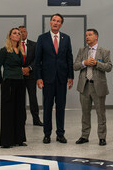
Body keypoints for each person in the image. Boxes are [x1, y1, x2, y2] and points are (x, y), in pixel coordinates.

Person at [35, 13, 74, 144]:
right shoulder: (42, 38)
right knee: (47, 107)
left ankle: (60, 134)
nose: (55, 23)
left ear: (61, 24)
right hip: (47, 79)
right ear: (50, 22)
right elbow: (37, 60)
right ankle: (47, 134)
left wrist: (71, 76)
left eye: (58, 21)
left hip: (62, 78)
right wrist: (38, 78)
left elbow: (69, 58)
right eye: (53, 20)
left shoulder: (66, 38)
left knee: (61, 107)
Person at [73, 29, 112, 146]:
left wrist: (96, 64)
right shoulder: (82, 50)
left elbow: (109, 67)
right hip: (84, 86)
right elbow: (75, 66)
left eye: (90, 35)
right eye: (86, 35)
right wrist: (85, 63)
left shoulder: (104, 51)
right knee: (85, 113)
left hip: (98, 86)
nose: (87, 37)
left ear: (96, 37)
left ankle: (102, 137)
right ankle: (84, 136)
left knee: (101, 113)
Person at [0, 28, 26, 148]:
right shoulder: (4, 51)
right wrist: (1, 82)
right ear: (10, 36)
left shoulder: (20, 51)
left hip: (20, 82)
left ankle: (19, 139)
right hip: (8, 83)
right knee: (8, 111)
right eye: (15, 33)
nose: (17, 35)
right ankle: (7, 141)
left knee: (20, 111)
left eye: (19, 33)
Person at [19, 25, 43, 126]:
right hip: (18, 76)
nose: (22, 34)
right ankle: (21, 120)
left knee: (33, 98)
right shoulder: (14, 46)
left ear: (27, 32)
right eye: (20, 32)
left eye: (24, 32)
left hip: (31, 75)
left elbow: (37, 59)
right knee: (20, 98)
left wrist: (29, 68)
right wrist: (21, 70)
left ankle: (36, 119)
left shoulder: (34, 45)